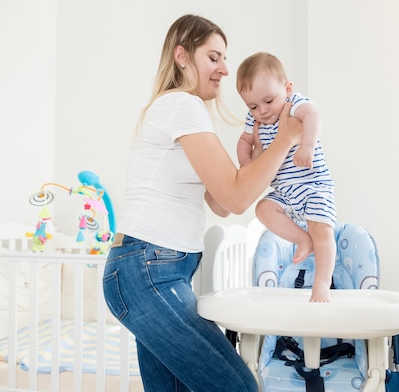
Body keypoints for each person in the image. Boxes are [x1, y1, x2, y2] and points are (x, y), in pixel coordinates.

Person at [102, 15, 302, 392]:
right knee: (238, 386)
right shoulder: (182, 106)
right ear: (182, 56)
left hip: (152, 270)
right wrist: (286, 139)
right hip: (148, 270)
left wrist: (255, 161)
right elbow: (236, 197)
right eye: (214, 58)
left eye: (224, 59)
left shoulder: (182, 111)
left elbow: (224, 203)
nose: (225, 69)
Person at [236, 52, 336, 303]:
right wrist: (246, 163)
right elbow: (245, 140)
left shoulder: (295, 105)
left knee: (322, 230)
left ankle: (322, 283)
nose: (262, 110)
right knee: (263, 209)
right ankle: (303, 239)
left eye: (268, 100)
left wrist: (308, 147)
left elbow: (313, 116)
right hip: (283, 190)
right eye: (253, 106)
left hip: (312, 184)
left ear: (287, 88)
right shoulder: (254, 119)